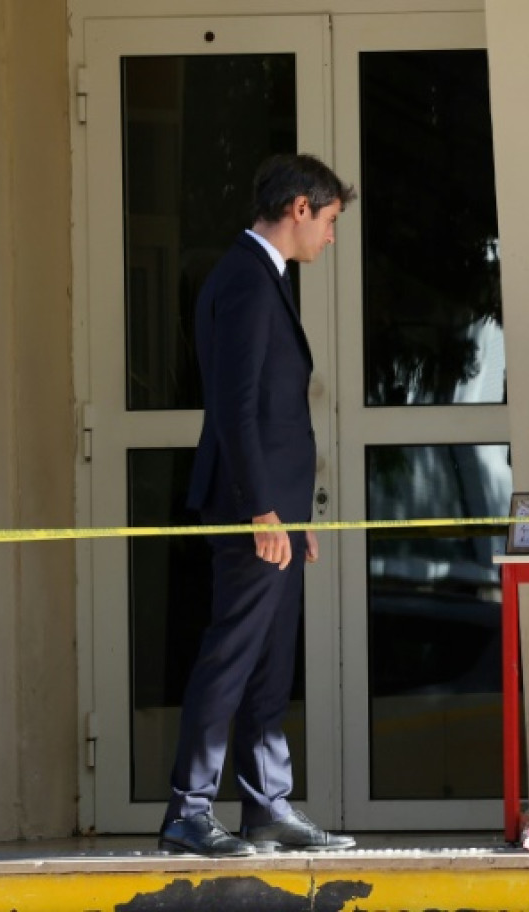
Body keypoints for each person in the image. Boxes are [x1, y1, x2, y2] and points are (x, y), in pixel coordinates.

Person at [159, 153, 356, 857]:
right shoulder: (245, 278)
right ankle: (187, 811)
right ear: (300, 208)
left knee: (271, 664)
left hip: (276, 513)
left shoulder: (263, 278)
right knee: (232, 657)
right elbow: (238, 411)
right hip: (253, 514)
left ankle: (267, 806)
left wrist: (291, 515)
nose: (331, 237)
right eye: (330, 220)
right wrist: (262, 512)